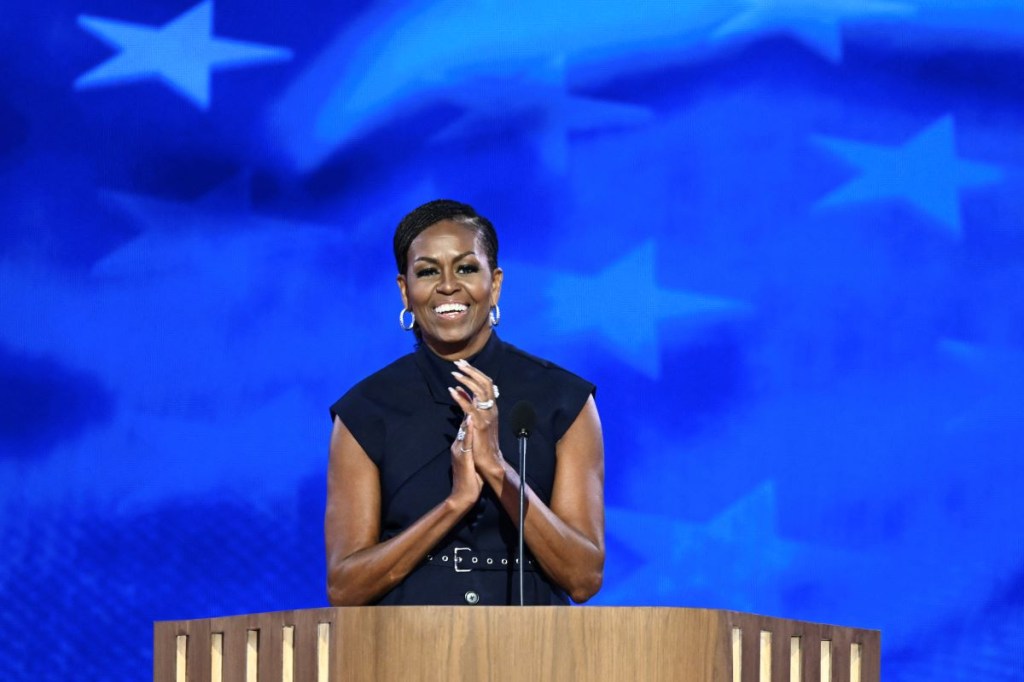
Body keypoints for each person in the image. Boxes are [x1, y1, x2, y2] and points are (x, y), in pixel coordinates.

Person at [325, 199, 604, 606]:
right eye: (427, 272)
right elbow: (345, 588)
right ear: (405, 290)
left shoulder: (565, 401)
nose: (448, 285)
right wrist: (454, 505)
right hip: (405, 658)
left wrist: (497, 470)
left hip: (534, 657)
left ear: (496, 283)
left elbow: (583, 578)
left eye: (467, 268)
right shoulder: (365, 412)